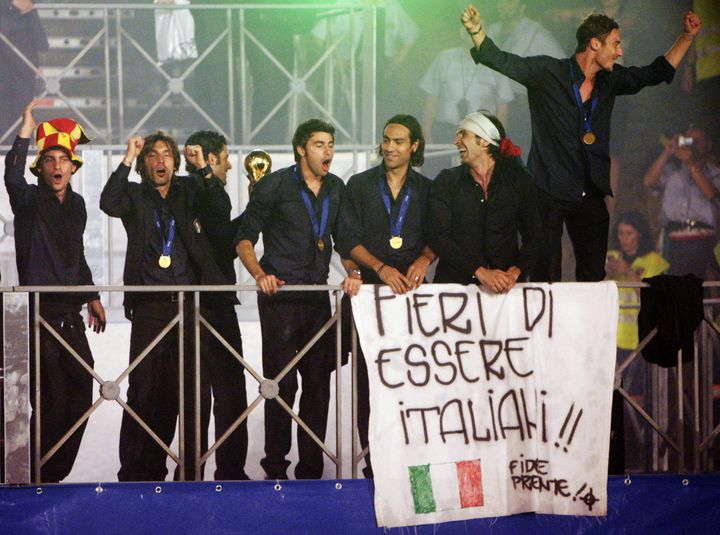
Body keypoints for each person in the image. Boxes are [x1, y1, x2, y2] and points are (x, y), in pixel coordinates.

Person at [460, 5, 702, 282]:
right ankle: (547, 324)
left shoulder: (611, 81)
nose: (620, 51)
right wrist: (477, 31)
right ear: (595, 44)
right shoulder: (547, 72)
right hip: (548, 191)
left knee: (592, 276)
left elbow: (654, 73)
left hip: (589, 193)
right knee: (546, 275)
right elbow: (501, 60)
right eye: (616, 44)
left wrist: (686, 37)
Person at [236, 118, 361, 480]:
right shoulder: (273, 185)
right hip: (281, 298)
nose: (328, 152)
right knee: (282, 386)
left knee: (319, 386)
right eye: (320, 145)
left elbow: (344, 242)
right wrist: (260, 274)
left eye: (331, 145)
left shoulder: (337, 188)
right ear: (300, 149)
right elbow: (244, 238)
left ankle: (312, 470)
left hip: (317, 296)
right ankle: (275, 469)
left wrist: (353, 272)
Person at [100, 130, 226, 481]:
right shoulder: (136, 196)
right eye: (153, 155)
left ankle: (189, 471)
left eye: (167, 155)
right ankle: (136, 472)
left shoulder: (188, 191)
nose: (160, 160)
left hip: (189, 306)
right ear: (144, 164)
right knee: (144, 390)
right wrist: (126, 157)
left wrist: (202, 168)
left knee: (191, 393)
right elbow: (108, 203)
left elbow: (220, 209)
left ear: (176, 162)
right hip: (150, 306)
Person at [4, 99, 106, 482]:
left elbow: (75, 255)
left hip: (70, 314)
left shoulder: (77, 204)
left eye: (64, 159)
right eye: (50, 160)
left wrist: (92, 294)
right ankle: (34, 475)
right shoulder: (28, 199)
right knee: (48, 399)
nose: (57, 166)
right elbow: (12, 178)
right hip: (37, 314)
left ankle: (52, 472)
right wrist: (25, 130)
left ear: (73, 166)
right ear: (40, 166)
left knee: (82, 388)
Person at [337, 114, 435, 477]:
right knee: (370, 383)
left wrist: (425, 258)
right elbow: (346, 238)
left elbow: (440, 234)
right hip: (371, 298)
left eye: (398, 142)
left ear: (414, 146)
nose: (390, 148)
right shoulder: (360, 185)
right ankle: (373, 466)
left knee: (413, 382)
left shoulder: (426, 189)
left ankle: (411, 465)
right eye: (386, 140)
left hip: (412, 300)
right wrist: (381, 269)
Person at [183, 129, 249, 480]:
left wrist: (255, 212)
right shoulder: (194, 188)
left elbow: (221, 239)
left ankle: (226, 470)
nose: (230, 166)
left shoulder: (207, 191)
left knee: (226, 392)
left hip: (213, 301)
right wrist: (205, 174)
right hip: (203, 303)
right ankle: (202, 471)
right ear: (210, 160)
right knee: (207, 394)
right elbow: (221, 237)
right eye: (224, 158)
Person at [427, 110, 541, 290]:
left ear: (485, 141)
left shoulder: (517, 182)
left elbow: (535, 234)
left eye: (463, 134)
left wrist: (516, 270)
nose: (456, 141)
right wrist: (479, 272)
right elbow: (438, 236)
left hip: (504, 289)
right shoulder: (447, 182)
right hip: (455, 289)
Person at [604, 211, 669, 473]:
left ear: (640, 234)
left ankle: (644, 452)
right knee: (614, 400)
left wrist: (628, 273)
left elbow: (658, 294)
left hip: (642, 340)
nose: (624, 239)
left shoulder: (655, 261)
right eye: (620, 233)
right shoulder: (611, 258)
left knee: (639, 399)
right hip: (613, 338)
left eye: (629, 233)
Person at [420, 27, 514, 177]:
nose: (470, 32)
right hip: (444, 131)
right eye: (466, 28)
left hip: (480, 135)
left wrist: (498, 141)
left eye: (476, 27)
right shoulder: (444, 58)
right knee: (439, 178)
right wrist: (426, 131)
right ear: (460, 32)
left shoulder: (496, 62)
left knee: (475, 180)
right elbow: (432, 97)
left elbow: (503, 106)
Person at [484, 0, 565, 158]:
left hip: (521, 109)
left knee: (521, 157)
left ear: (522, 7)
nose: (502, 5)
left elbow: (560, 69)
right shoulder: (491, 31)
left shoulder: (536, 33)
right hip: (491, 106)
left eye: (509, 2)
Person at [643, 126, 720, 280]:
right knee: (675, 290)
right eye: (690, 140)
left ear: (708, 144)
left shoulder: (715, 172)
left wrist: (690, 162)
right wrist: (668, 151)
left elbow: (710, 193)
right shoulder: (673, 172)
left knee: (702, 290)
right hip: (673, 240)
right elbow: (648, 182)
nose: (693, 144)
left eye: (698, 141)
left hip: (703, 240)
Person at [0, 0, 48, 141]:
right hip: (9, 74)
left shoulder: (29, 13)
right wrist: (11, 5)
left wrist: (30, 11)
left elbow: (43, 44)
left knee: (21, 115)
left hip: (23, 75)